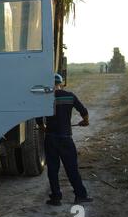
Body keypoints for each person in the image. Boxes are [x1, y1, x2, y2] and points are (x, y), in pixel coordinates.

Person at [36, 73, 93, 206]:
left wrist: (43, 128)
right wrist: (85, 121)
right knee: (72, 168)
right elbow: (84, 111)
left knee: (52, 169)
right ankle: (80, 195)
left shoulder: (44, 99)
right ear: (60, 83)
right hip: (66, 138)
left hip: (50, 139)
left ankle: (56, 197)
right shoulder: (70, 96)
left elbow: (39, 120)